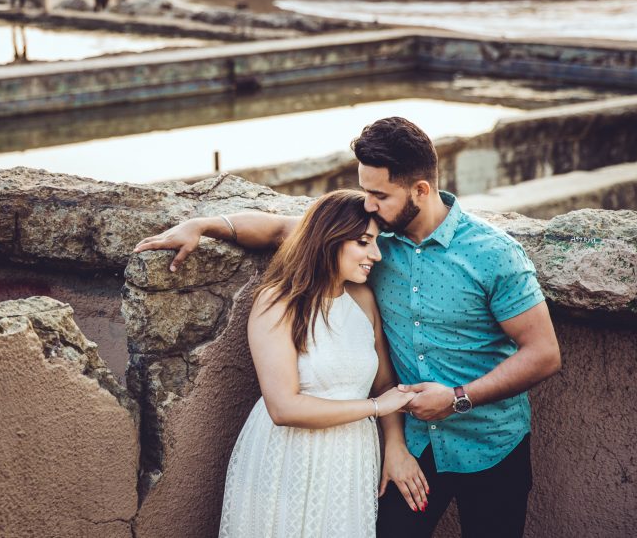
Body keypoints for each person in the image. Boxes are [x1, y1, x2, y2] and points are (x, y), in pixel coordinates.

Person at [134, 117, 562, 538]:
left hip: (492, 443)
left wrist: (457, 399)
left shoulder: (494, 254)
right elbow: (285, 230)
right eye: (365, 191)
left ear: (420, 190)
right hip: (411, 446)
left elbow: (543, 354)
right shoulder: (370, 234)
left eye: (379, 194)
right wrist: (202, 225)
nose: (369, 204)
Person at [217, 189, 420, 536]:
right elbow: (283, 408)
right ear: (330, 239)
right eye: (363, 242)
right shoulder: (278, 301)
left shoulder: (363, 299)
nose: (377, 254)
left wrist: (396, 446)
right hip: (286, 460)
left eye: (376, 242)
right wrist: (375, 407)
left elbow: (384, 384)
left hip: (351, 459)